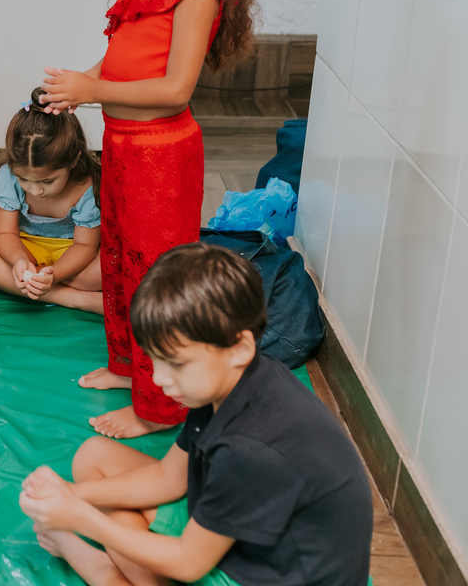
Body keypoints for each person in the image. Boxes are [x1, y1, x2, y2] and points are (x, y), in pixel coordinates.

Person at [39, 0, 258, 438]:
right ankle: (128, 365)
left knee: (158, 276)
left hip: (162, 156)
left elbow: (173, 91)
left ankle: (159, 409)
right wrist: (74, 87)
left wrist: (94, 92)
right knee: (120, 258)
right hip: (124, 147)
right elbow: (119, 59)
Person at [19, 244, 373, 586]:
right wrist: (74, 495)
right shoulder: (226, 379)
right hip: (249, 542)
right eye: (155, 359)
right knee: (94, 457)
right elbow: (168, 479)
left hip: (274, 574)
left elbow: (189, 563)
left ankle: (102, 571)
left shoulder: (251, 448)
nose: (158, 379)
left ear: (240, 347)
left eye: (176, 364)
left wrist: (80, 518)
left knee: (117, 519)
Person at [0, 88, 102, 313]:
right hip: (26, 246)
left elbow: (84, 246)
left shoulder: (87, 186)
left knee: (112, 267)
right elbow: (6, 234)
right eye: (23, 179)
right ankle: (71, 298)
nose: (36, 190)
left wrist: (54, 275)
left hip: (74, 256)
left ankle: (12, 284)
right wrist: (19, 261)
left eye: (48, 181)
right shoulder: (7, 177)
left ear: (74, 160)